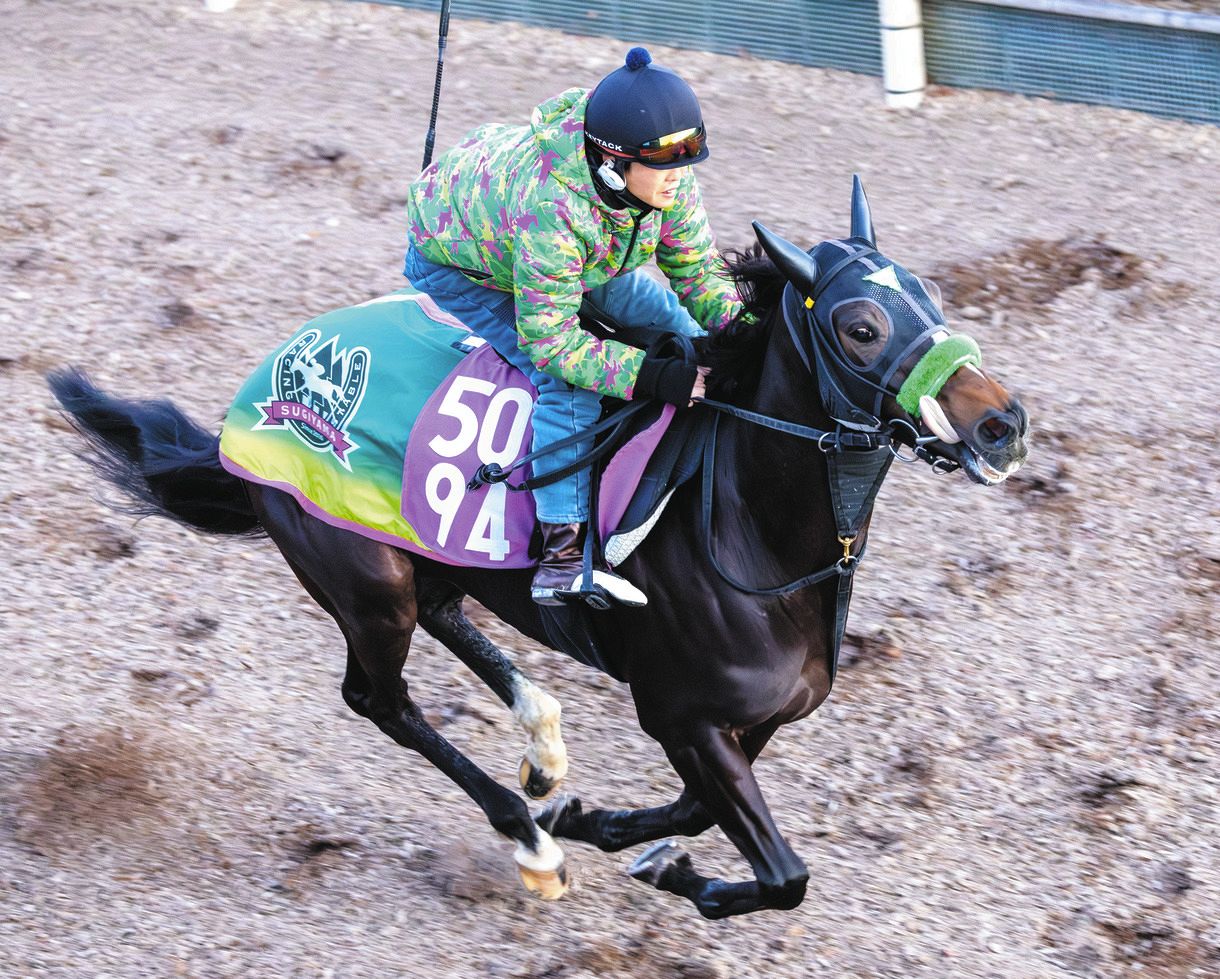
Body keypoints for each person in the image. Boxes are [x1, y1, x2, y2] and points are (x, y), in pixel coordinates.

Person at [403, 46, 741, 608]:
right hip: (468, 263)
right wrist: (653, 377)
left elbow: (697, 269)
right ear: (613, 164)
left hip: (584, 253)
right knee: (567, 383)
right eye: (665, 165)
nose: (679, 179)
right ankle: (561, 557)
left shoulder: (664, 181)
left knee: (671, 321)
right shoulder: (554, 209)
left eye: (687, 159)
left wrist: (746, 334)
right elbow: (555, 343)